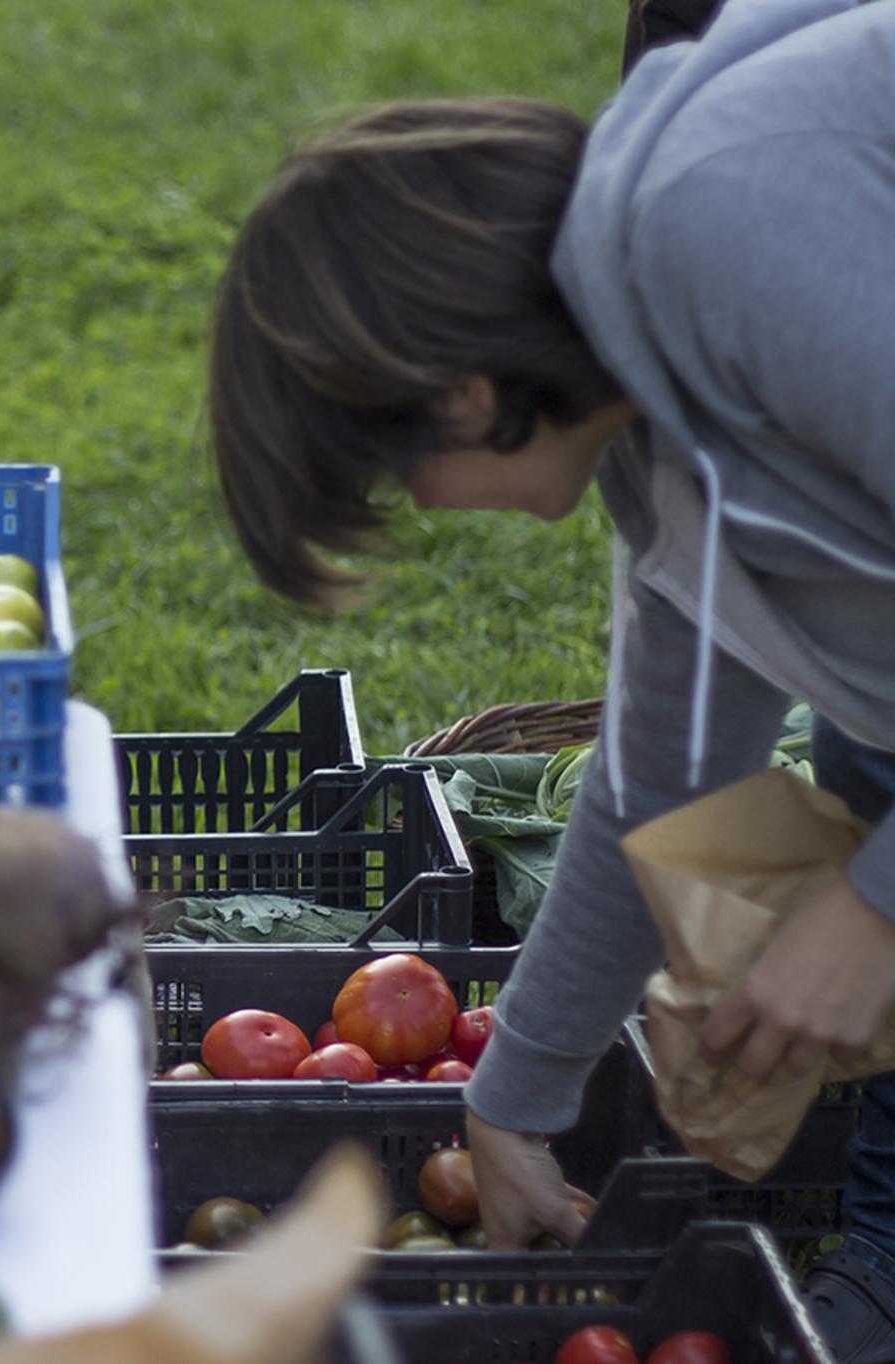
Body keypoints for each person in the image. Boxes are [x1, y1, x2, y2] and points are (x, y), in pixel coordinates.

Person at [204, 0, 895, 1356]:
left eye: (399, 476)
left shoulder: (737, 231)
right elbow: (662, 771)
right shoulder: (647, 392)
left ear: (462, 394)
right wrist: (515, 1095)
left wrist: (870, 911)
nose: (427, 505)